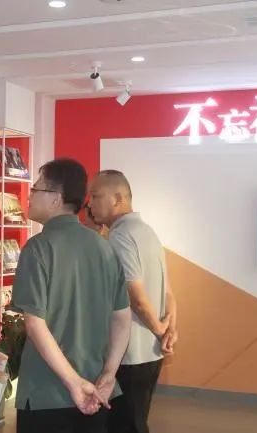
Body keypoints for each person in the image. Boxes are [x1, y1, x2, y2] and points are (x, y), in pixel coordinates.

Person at [11, 158, 132, 433]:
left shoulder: (38, 248)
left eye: (36, 189)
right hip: (97, 391)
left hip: (46, 393)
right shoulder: (104, 248)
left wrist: (73, 383)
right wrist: (109, 374)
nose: (29, 195)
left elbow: (35, 324)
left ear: (56, 198)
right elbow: (122, 318)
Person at [88, 169, 178, 433]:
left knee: (124, 425)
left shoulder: (120, 235)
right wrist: (168, 331)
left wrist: (160, 329)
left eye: (96, 196)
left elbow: (135, 296)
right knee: (135, 422)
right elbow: (168, 294)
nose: (91, 203)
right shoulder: (147, 231)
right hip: (150, 351)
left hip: (129, 353)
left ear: (118, 199)